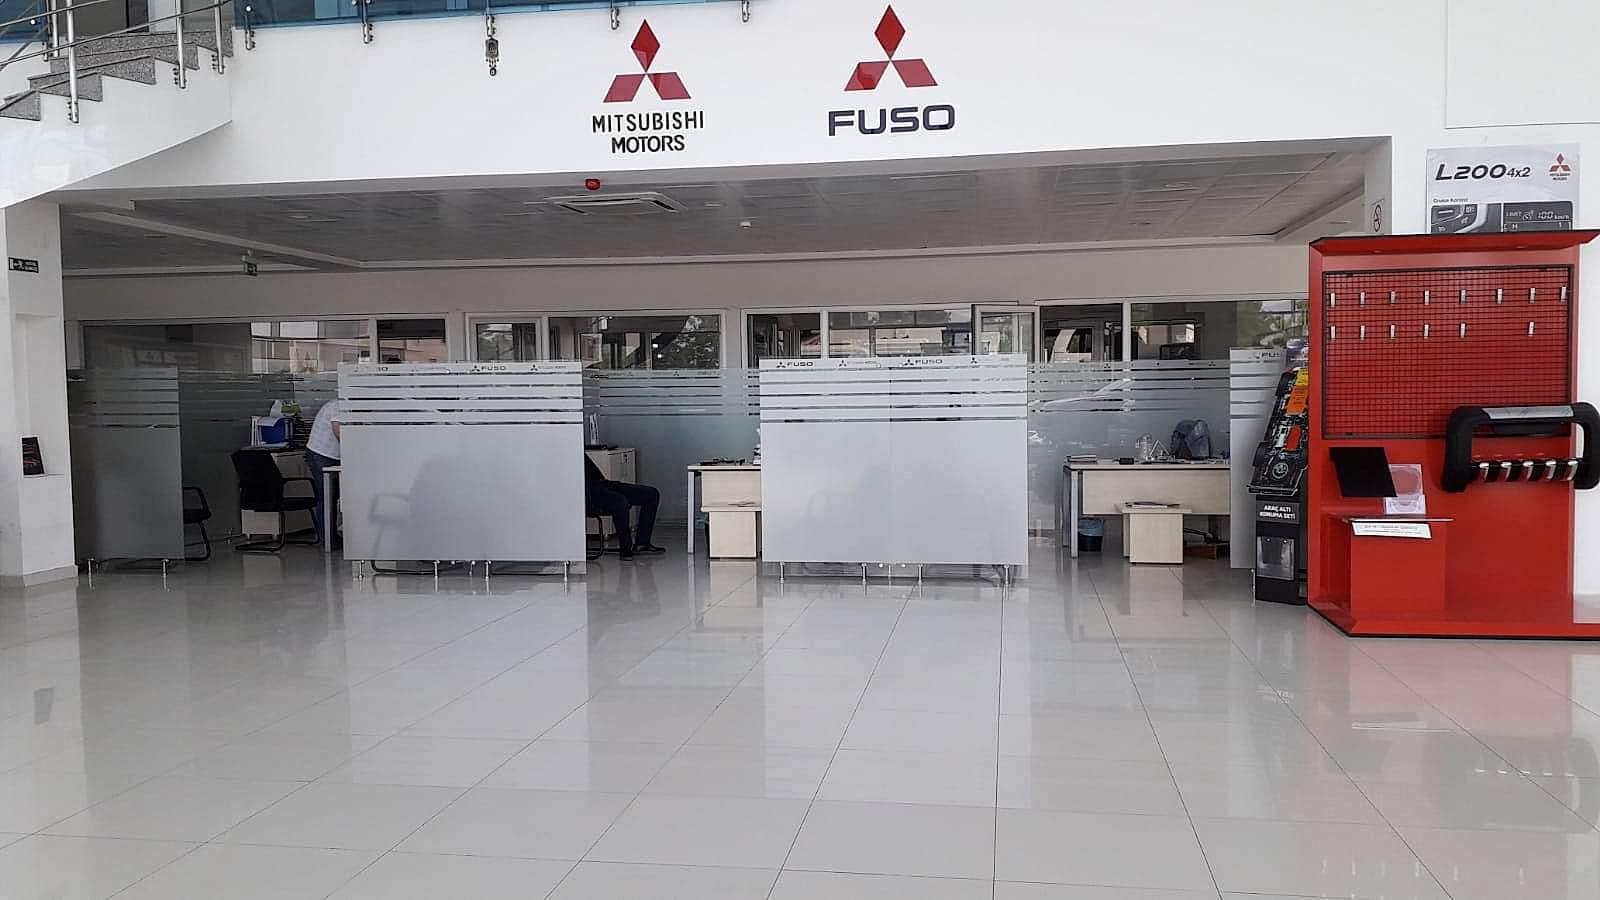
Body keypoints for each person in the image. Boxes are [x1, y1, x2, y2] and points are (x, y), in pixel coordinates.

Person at [585, 455, 662, 560]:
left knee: (651, 494)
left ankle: (642, 543)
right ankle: (625, 548)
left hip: (603, 483)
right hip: (588, 492)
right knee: (620, 501)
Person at [304, 399, 343, 548]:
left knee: (332, 496)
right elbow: (339, 432)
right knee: (327, 497)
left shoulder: (345, 407)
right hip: (320, 455)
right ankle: (327, 539)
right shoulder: (338, 406)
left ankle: (331, 537)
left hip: (332, 456)